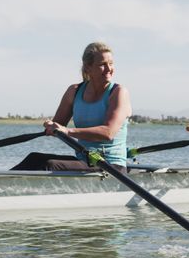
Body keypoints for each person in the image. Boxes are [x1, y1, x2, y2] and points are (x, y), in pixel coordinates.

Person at [11, 42, 132, 173]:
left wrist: (68, 131)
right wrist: (51, 126)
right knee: (34, 158)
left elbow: (108, 133)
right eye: (103, 64)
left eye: (111, 63)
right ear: (88, 68)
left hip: (111, 166)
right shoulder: (74, 91)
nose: (109, 69)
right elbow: (59, 124)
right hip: (85, 161)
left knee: (50, 165)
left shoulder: (118, 92)